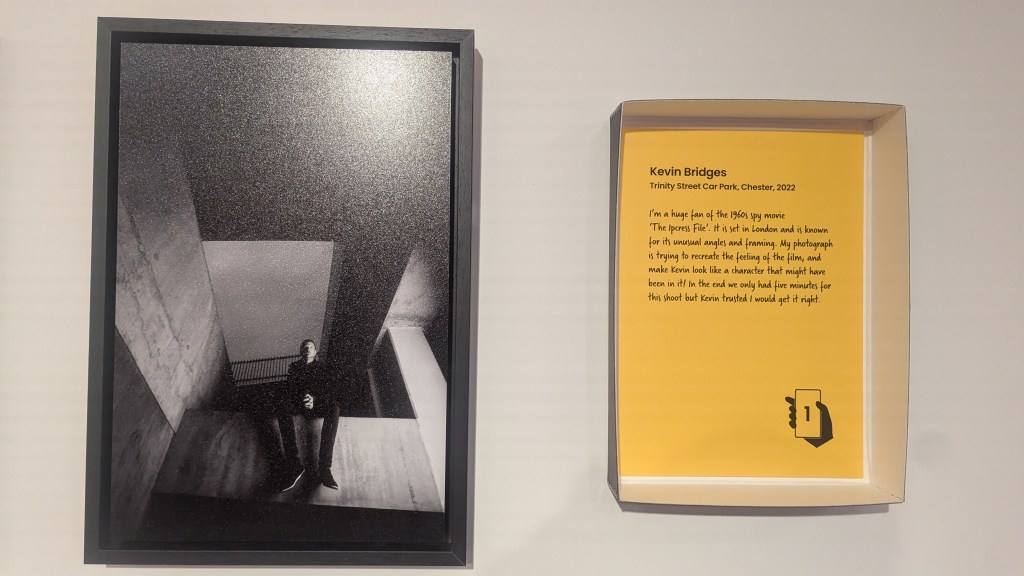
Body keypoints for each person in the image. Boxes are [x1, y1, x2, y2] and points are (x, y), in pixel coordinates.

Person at [272, 339, 340, 491]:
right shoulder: (294, 367)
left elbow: (326, 389)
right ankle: (294, 463)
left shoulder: (322, 367)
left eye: (310, 347)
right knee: (282, 405)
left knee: (334, 408)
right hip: (299, 404)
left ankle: (324, 468)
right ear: (301, 352)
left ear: (315, 352)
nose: (307, 349)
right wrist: (303, 399)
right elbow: (291, 388)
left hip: (317, 405)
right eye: (304, 347)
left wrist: (314, 399)